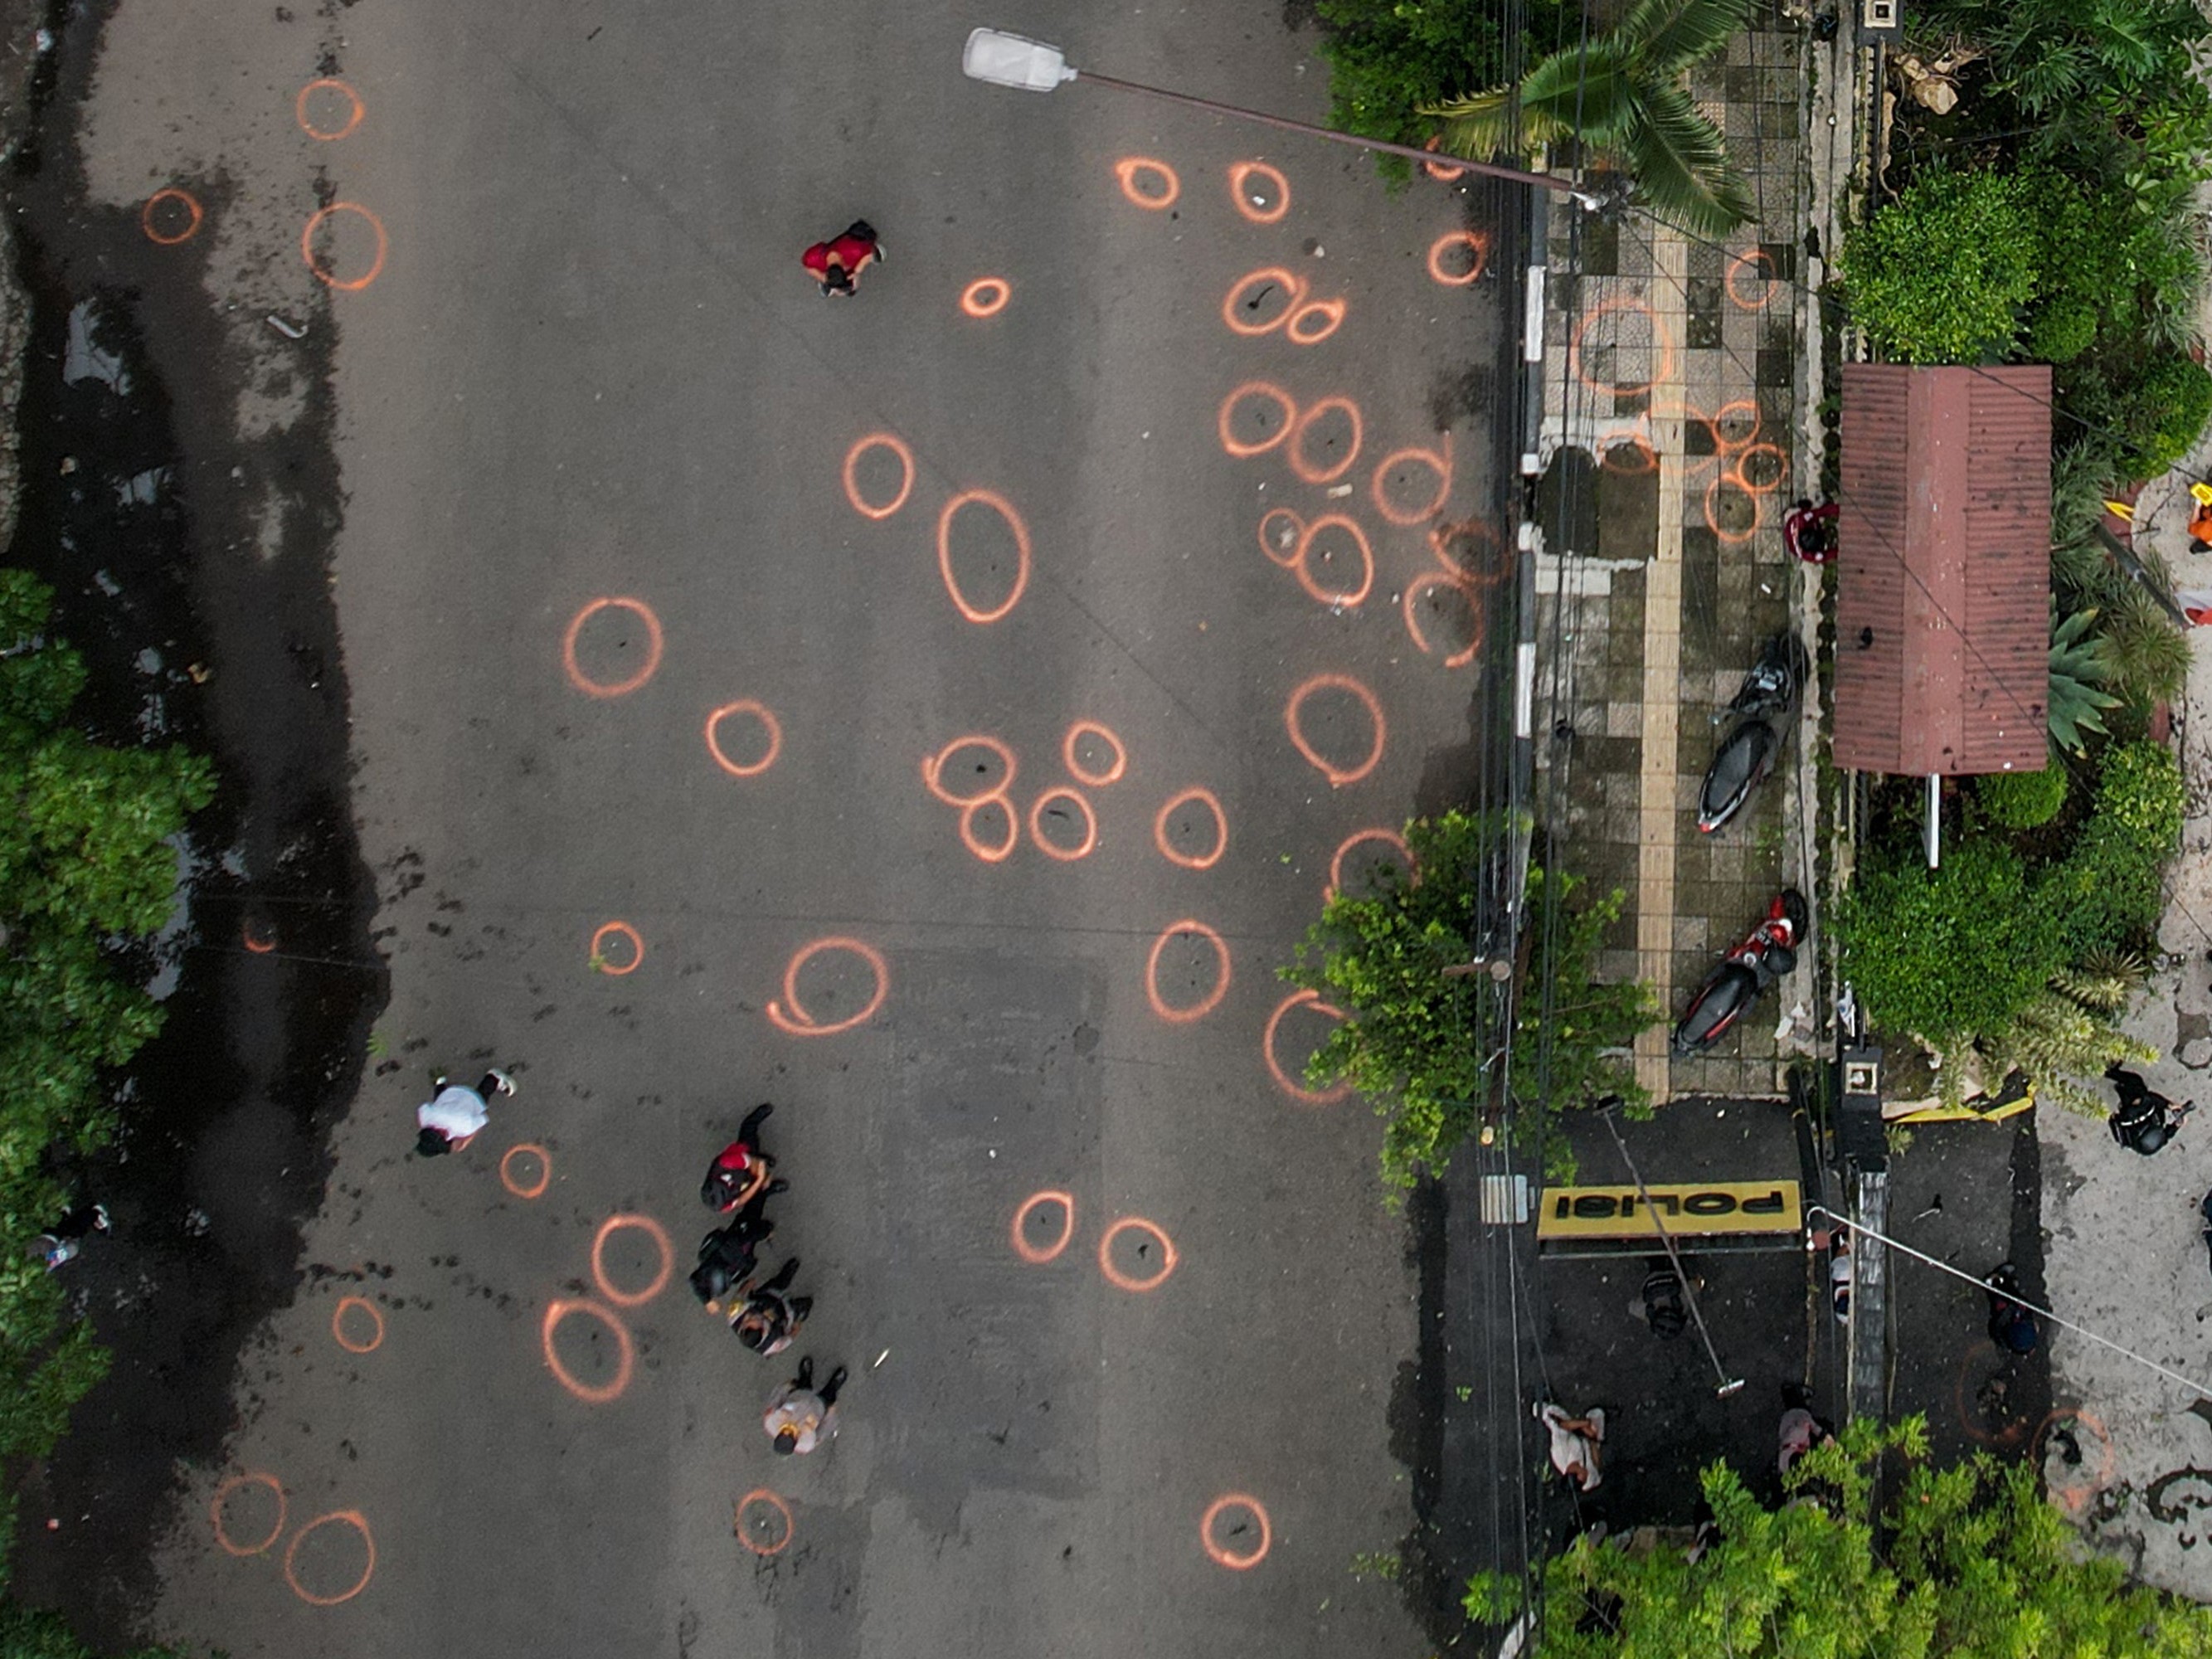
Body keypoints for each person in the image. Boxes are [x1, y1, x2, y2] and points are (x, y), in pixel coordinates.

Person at [688, 1181, 785, 1309]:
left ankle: (762, 1190)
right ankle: (763, 1223)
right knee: (757, 1223)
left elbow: (693, 1281)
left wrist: (707, 1302)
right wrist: (749, 1261)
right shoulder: (727, 1279)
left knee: (752, 1214)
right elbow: (742, 1272)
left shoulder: (706, 1262)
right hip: (745, 1248)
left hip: (737, 1236)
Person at [416, 1067, 513, 1156]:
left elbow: (483, 1119)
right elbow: (424, 1107)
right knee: (439, 1103)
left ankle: (494, 1078)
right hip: (449, 1093)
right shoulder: (425, 1117)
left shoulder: (464, 1128)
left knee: (482, 1098)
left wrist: (466, 1140)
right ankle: (440, 1083)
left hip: (471, 1097)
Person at [764, 1355, 848, 1456]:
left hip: (798, 1396)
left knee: (804, 1384)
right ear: (796, 1440)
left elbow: (775, 1400)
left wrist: (786, 1387)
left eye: (784, 1430)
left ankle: (805, 1376)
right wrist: (830, 1414)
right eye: (791, 1434)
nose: (790, 1428)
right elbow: (823, 1432)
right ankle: (833, 1385)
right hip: (818, 1408)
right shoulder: (807, 1444)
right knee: (829, 1395)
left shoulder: (770, 1421)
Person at [702, 1103, 775, 1213]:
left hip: (743, 1154)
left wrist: (761, 1172)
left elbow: (754, 1162)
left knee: (748, 1132)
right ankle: (770, 1186)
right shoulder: (722, 1206)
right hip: (744, 1177)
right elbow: (742, 1199)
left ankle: (753, 1119)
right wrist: (759, 1182)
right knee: (759, 1190)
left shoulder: (726, 1163)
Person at [729, 1257, 811, 1355]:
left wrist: (748, 1285)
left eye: (749, 1319)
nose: (750, 1316)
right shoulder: (771, 1345)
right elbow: (790, 1338)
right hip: (783, 1316)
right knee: (801, 1306)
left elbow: (739, 1296)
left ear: (744, 1326)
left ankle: (783, 1279)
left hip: (764, 1298)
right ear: (763, 1331)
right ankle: (800, 1309)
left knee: (775, 1285)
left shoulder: (735, 1315)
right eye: (757, 1320)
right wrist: (796, 1328)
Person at [2107, 1065, 2189, 1155]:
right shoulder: (2155, 1132)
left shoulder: (2129, 1128)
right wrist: (2176, 1124)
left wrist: (2168, 1105)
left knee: (2135, 1080)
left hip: (2130, 1112)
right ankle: (2119, 1085)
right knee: (2135, 1086)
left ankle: (2111, 1073)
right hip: (2135, 1112)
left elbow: (2149, 1098)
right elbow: (2166, 1136)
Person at [800, 220, 884, 298]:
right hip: (838, 255)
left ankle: (835, 287)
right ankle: (833, 287)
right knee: (848, 289)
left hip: (857, 241)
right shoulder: (813, 258)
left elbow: (869, 255)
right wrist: (822, 278)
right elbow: (808, 267)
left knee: (875, 253)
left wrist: (857, 271)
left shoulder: (854, 251)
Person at [1535, 1401, 1606, 1491]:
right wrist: (1593, 1439)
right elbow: (1597, 1463)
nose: (1587, 1475)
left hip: (1564, 1431)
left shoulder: (1560, 1452)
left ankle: (1546, 1402)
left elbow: (1562, 1425)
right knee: (1598, 1414)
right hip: (1585, 1440)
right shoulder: (1589, 1481)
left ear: (1577, 1475)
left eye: (1584, 1478)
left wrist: (1585, 1424)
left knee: (1544, 1411)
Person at [1777, 1383, 1835, 1477]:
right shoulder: (1801, 1419)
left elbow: (1812, 1427)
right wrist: (1824, 1436)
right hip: (1791, 1436)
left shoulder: (1793, 1422)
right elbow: (1814, 1427)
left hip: (1790, 1435)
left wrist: (1824, 1436)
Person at [33, 1200, 110, 1271]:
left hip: (50, 1242)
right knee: (71, 1242)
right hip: (53, 1242)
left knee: (69, 1238)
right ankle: (88, 1214)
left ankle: (90, 1214)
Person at [1986, 1262, 2039, 1355]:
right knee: (2019, 1300)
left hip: (2005, 1305)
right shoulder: (2016, 1344)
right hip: (2011, 1317)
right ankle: (2006, 1284)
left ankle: (1997, 1279)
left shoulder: (2004, 1314)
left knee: (2007, 1296)